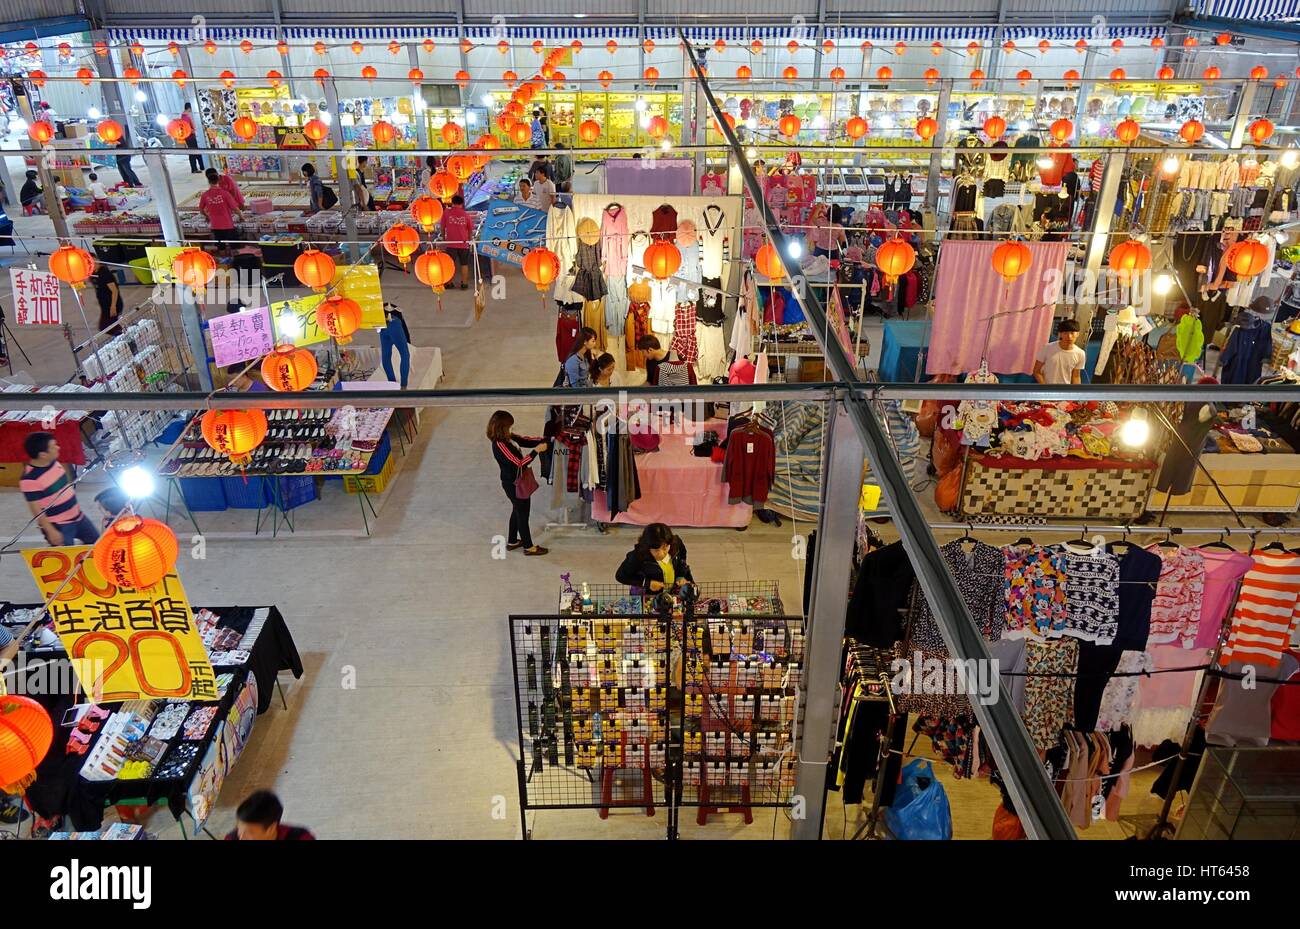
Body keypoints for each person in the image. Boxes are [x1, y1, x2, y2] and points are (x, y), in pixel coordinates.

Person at [20, 432, 99, 546]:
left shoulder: (52, 462)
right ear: (43, 455)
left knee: (97, 546)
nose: (58, 447)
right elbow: (36, 510)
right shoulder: (29, 479)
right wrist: (51, 531)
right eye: (53, 446)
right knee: (67, 559)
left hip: (78, 517)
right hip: (59, 526)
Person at [488, 410, 548, 556]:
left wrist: (544, 440)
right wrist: (536, 451)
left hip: (516, 481)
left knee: (517, 509)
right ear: (502, 427)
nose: (512, 429)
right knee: (522, 513)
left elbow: (524, 440)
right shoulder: (500, 445)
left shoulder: (507, 437)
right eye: (509, 426)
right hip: (513, 483)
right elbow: (519, 464)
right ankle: (529, 547)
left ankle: (513, 541)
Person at [615, 523, 693, 593]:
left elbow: (682, 559)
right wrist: (647, 583)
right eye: (656, 550)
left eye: (665, 547)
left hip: (673, 592)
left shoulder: (676, 543)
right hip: (650, 595)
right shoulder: (637, 556)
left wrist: (681, 576)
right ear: (648, 547)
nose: (663, 553)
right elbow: (621, 576)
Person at [224, 790, 315, 840]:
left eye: (249, 832)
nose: (241, 838)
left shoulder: (300, 837)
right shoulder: (231, 838)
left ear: (271, 828)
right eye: (239, 829)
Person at [199, 168, 244, 255]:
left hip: (215, 226)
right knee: (234, 247)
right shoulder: (225, 193)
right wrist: (241, 217)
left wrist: (207, 216)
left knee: (221, 247)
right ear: (218, 181)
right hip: (227, 225)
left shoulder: (205, 195)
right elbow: (235, 208)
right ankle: (234, 264)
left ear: (208, 181)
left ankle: (225, 264)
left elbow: (201, 210)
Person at [1032, 318, 1086, 385]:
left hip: (1065, 391)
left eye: (1072, 333)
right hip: (1047, 389)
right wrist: (1045, 388)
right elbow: (1036, 371)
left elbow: (1076, 376)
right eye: (1065, 333)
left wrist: (1076, 393)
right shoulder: (1047, 348)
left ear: (1077, 334)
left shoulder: (1080, 353)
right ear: (1060, 334)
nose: (1069, 336)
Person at [440, 194, 474, 289]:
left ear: (452, 203)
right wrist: (469, 241)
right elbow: (470, 229)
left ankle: (448, 283)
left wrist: (444, 238)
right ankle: (464, 284)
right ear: (462, 204)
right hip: (463, 243)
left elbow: (442, 227)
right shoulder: (465, 214)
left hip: (450, 243)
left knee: (450, 264)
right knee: (464, 264)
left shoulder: (446, 213)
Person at [380, 302, 411, 388]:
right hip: (395, 327)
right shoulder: (397, 313)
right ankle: (403, 385)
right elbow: (404, 327)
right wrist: (408, 340)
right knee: (405, 355)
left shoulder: (380, 312)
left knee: (386, 356)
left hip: (383, 327)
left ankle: (392, 383)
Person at [92, 263, 123, 333]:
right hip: (105, 305)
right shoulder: (94, 273)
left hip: (112, 305)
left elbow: (114, 291)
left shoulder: (105, 274)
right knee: (109, 327)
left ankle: (125, 338)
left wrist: (113, 306)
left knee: (106, 327)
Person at [181, 102, 203, 173]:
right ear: (189, 108)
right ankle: (195, 168)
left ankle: (199, 167)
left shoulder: (184, 116)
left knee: (194, 151)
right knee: (194, 152)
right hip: (190, 136)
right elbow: (186, 127)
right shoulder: (185, 117)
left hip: (189, 136)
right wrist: (192, 131)